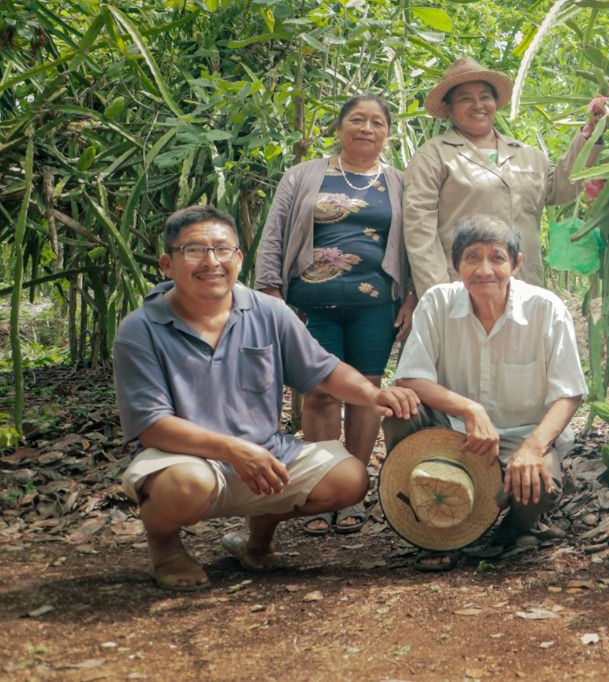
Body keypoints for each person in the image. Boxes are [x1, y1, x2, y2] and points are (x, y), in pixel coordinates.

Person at [114, 206, 420, 592]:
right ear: (166, 263)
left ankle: (259, 535)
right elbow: (153, 425)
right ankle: (166, 548)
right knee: (184, 483)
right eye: (194, 250)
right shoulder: (140, 329)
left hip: (265, 454)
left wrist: (375, 394)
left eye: (222, 250)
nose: (211, 261)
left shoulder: (268, 311)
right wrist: (233, 449)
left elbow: (323, 370)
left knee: (349, 478)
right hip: (185, 460)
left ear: (239, 259)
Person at [385, 215, 587, 571]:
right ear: (456, 264)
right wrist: (469, 410)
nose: (484, 270)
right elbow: (410, 379)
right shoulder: (437, 303)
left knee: (540, 488)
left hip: (520, 438)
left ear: (516, 264)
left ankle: (508, 531)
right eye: (472, 258)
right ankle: (434, 527)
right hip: (450, 435)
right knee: (400, 408)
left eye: (497, 257)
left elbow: (569, 394)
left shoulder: (546, 309)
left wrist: (534, 448)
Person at [254, 93, 412, 535]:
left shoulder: (399, 182)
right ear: (339, 127)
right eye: (357, 120)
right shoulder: (303, 175)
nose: (366, 128)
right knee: (320, 393)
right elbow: (274, 234)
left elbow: (414, 243)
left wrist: (413, 295)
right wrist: (270, 293)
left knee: (367, 392)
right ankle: (323, 487)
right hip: (308, 303)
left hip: (376, 306)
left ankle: (354, 490)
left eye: (377, 122)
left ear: (387, 132)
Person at [403, 56, 607, 293]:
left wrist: (590, 135)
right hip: (463, 289)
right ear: (448, 109)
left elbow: (562, 188)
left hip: (524, 288)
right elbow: (419, 230)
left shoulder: (528, 155)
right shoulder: (433, 156)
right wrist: (438, 294)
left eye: (485, 97)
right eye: (465, 99)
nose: (478, 105)